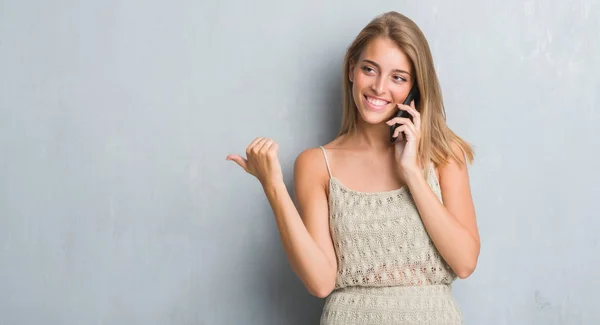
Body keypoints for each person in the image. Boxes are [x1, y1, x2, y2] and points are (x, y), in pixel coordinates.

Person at [226, 11, 480, 325]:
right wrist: (274, 188)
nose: (379, 87)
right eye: (369, 69)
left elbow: (465, 262)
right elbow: (320, 282)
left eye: (398, 77)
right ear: (352, 70)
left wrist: (412, 174)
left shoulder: (444, 153)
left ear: (414, 86)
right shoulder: (316, 164)